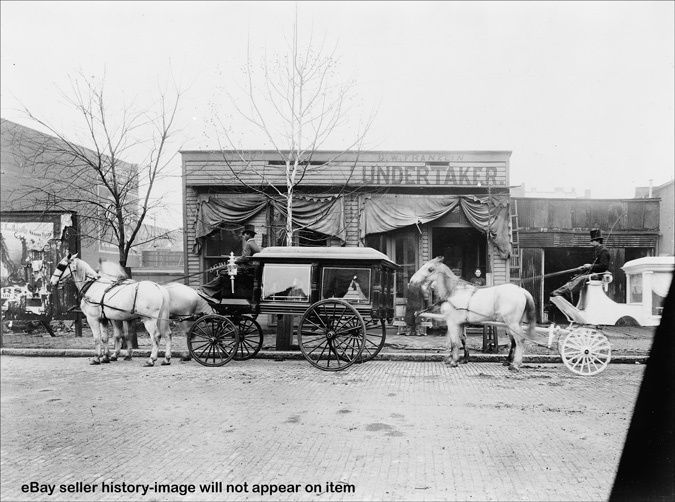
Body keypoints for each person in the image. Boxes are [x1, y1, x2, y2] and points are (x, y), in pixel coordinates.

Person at [552, 228, 611, 301]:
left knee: (580, 279)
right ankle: (560, 292)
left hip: (600, 274)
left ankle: (567, 292)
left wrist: (590, 266)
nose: (591, 243)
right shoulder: (598, 250)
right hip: (594, 273)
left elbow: (604, 266)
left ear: (598, 241)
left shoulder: (604, 251)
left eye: (592, 241)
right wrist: (586, 266)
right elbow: (596, 264)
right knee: (576, 278)